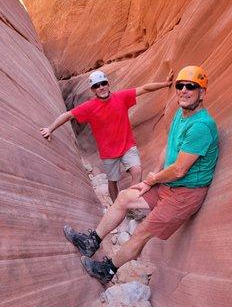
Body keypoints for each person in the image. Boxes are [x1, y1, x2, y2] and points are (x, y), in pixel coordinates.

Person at [63, 65, 219, 284]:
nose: (184, 90)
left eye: (191, 86)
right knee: (125, 197)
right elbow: (169, 148)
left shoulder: (201, 126)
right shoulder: (180, 115)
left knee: (142, 231)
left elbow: (180, 169)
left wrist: (153, 179)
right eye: (180, 85)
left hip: (184, 194)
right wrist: (150, 180)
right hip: (168, 185)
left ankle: (107, 270)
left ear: (202, 92)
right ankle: (92, 241)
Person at [41, 69, 173, 201]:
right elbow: (68, 115)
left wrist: (165, 84)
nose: (101, 88)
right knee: (112, 181)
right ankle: (117, 205)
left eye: (103, 84)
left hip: (127, 146)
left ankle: (130, 200)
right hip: (108, 152)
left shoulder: (121, 97)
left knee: (137, 171)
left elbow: (144, 89)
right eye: (96, 86)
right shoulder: (89, 107)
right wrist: (50, 129)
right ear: (93, 90)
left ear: (108, 84)